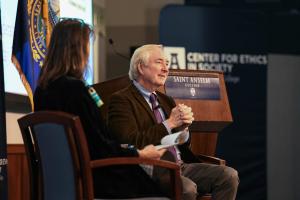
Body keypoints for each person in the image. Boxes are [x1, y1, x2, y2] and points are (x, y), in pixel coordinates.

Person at [33, 19, 168, 198]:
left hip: (58, 181)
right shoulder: (76, 90)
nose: (88, 52)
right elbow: (99, 147)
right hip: (95, 178)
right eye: (87, 45)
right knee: (160, 190)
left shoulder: (41, 90)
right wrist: (139, 153)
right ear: (77, 49)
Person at [107, 44, 239, 200]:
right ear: (141, 68)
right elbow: (129, 141)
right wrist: (169, 124)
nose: (165, 69)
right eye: (159, 62)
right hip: (149, 169)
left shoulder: (166, 99)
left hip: (180, 164)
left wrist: (184, 130)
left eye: (167, 63)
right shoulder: (121, 100)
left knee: (228, 176)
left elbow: (180, 144)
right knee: (187, 188)